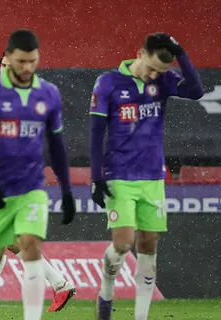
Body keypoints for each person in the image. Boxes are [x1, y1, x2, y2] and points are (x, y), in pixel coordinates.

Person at [91, 33, 204, 320]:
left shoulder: (163, 81)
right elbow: (95, 133)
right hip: (120, 175)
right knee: (122, 243)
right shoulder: (108, 83)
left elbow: (196, 91)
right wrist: (96, 176)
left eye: (161, 71)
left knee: (149, 243)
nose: (155, 75)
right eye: (152, 68)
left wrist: (181, 52)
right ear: (139, 53)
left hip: (152, 176)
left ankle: (140, 317)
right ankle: (105, 291)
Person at [0, 29, 76, 320]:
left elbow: (56, 145)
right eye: (18, 62)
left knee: (28, 247)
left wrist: (67, 189)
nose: (26, 68)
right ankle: (57, 283)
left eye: (32, 61)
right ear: (7, 61)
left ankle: (36, 307)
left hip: (31, 188)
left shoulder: (48, 93)